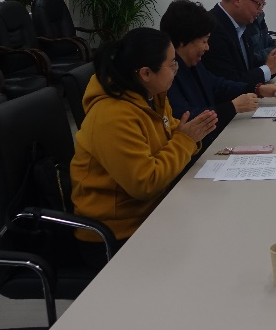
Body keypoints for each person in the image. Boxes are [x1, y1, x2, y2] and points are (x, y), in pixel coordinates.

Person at [70, 28, 218, 268]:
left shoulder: (153, 96)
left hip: (155, 210)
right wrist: (186, 140)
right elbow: (145, 183)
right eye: (172, 64)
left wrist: (188, 137)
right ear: (146, 73)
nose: (176, 70)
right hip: (117, 234)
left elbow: (172, 136)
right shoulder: (112, 116)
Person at [160, 0, 276, 152]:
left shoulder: (192, 63)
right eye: (204, 41)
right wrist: (232, 107)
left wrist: (257, 89)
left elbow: (218, 85)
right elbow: (186, 117)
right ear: (183, 41)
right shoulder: (166, 77)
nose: (207, 47)